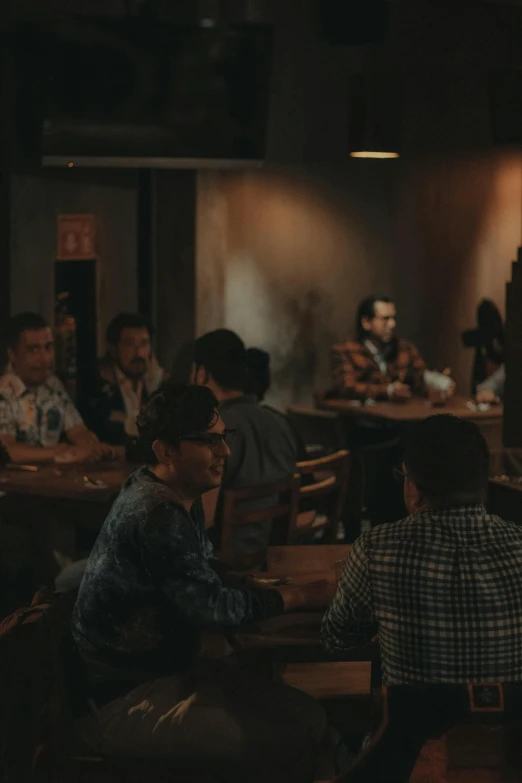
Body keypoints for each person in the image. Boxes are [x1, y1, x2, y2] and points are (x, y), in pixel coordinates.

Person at [72, 383, 329, 783]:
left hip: (167, 673)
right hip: (122, 698)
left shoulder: (166, 490)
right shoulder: (158, 512)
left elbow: (204, 563)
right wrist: (298, 595)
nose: (224, 451)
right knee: (291, 734)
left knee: (309, 716)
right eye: (208, 441)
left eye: (224, 437)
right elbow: (211, 609)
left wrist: (246, 580)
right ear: (165, 451)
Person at [322, 414, 522, 781]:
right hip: (507, 761)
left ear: (413, 488)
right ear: (484, 482)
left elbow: (337, 640)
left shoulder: (377, 548)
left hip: (412, 758)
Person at [191, 330, 298, 558]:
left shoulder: (211, 430)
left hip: (225, 564)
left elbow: (203, 520)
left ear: (201, 374)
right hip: (274, 559)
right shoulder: (281, 422)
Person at [0, 313, 110, 464]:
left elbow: (77, 430)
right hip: (12, 486)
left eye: (48, 347)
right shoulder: (3, 391)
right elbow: (8, 450)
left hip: (49, 483)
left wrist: (92, 447)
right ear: (12, 354)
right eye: (33, 350)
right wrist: (62, 452)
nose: (45, 358)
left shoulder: (53, 384)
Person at [330, 296, 455, 402]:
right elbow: (346, 387)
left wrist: (437, 382)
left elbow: (419, 375)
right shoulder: (345, 351)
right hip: (362, 424)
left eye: (393, 318)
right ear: (366, 322)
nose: (392, 324)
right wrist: (387, 391)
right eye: (385, 319)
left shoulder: (405, 348)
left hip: (399, 423)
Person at [82, 313, 166, 445]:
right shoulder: (97, 383)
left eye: (144, 344)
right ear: (114, 349)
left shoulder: (157, 381)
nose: (139, 353)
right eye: (129, 344)